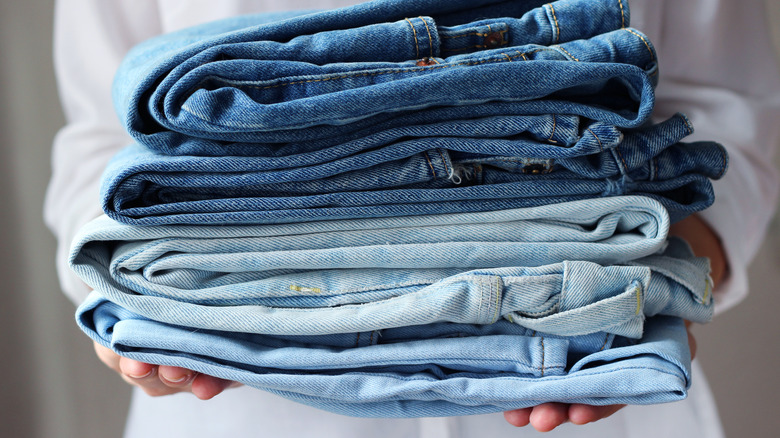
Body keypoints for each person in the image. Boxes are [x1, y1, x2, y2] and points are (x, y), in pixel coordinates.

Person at [45, 0, 780, 436]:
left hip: (587, 355)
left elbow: (730, 115)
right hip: (238, 402)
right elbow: (105, 141)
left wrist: (656, 284)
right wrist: (129, 295)